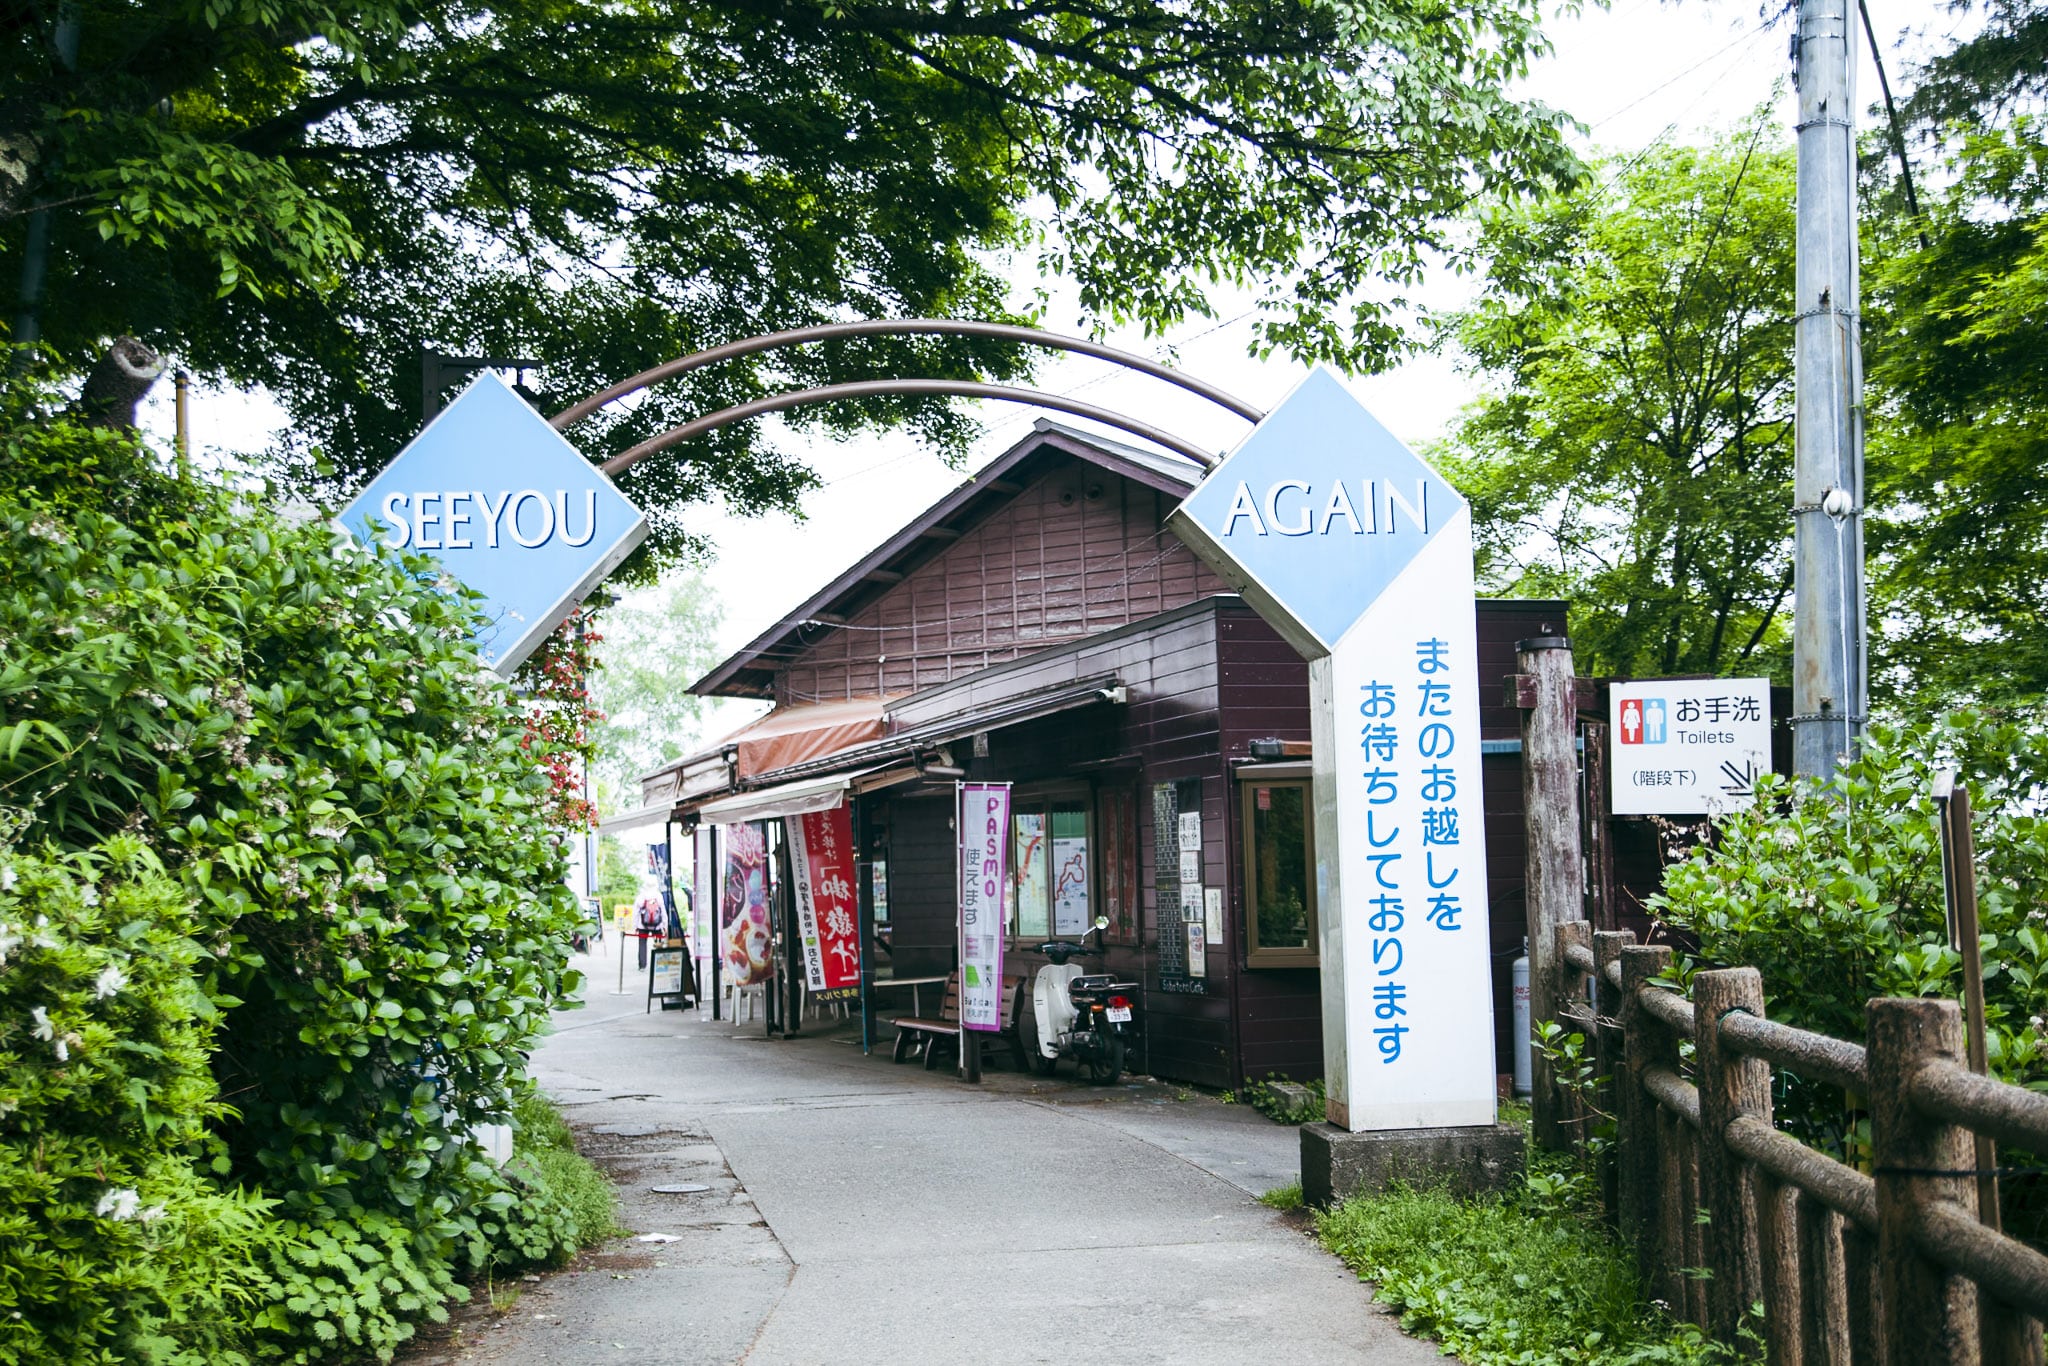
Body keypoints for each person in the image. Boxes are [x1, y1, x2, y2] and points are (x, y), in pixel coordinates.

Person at [635, 893, 664, 968]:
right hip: (657, 925)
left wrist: (635, 925)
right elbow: (663, 911)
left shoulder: (641, 896)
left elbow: (636, 912)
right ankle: (660, 964)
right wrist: (664, 924)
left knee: (642, 944)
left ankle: (642, 965)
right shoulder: (658, 896)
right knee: (659, 944)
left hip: (643, 925)